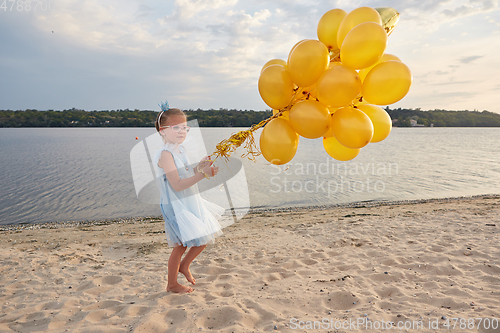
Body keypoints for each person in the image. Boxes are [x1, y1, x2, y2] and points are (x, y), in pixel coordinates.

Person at [153, 103, 229, 293]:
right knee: (179, 245)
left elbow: (188, 173)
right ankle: (172, 284)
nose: (181, 131)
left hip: (190, 200)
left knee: (203, 237)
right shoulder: (165, 155)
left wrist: (201, 167)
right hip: (175, 205)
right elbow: (177, 184)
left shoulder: (181, 150)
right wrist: (202, 175)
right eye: (175, 127)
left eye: (184, 127)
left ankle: (184, 266)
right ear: (163, 131)